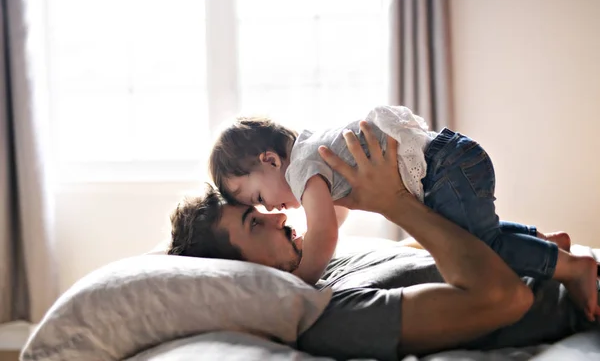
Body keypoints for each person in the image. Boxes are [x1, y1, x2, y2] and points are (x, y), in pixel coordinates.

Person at [169, 126, 600, 360]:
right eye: (255, 220)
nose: (280, 213)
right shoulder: (328, 317)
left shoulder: (329, 263)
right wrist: (392, 202)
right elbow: (508, 299)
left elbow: (437, 251)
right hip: (585, 307)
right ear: (239, 269)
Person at [208, 106, 599, 320]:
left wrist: (305, 277)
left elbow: (324, 232)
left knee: (481, 247)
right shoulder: (312, 156)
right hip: (451, 156)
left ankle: (572, 268)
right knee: (474, 234)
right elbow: (335, 221)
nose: (270, 208)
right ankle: (545, 243)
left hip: (445, 167)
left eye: (258, 196)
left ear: (271, 160)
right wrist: (316, 238)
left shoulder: (302, 169)